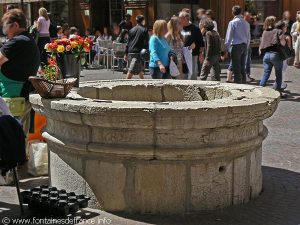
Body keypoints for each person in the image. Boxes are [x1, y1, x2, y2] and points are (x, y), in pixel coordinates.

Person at [0, 9, 40, 136]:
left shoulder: (17, 41)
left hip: (13, 98)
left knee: (11, 139)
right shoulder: (28, 39)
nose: (4, 30)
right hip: (20, 97)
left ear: (16, 25)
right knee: (19, 139)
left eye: (5, 26)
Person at [259, 17, 286, 98]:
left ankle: (259, 90)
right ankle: (278, 93)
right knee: (278, 74)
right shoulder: (278, 31)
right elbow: (283, 43)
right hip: (276, 55)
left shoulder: (264, 32)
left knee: (266, 74)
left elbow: (262, 44)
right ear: (274, 22)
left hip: (266, 55)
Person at [225, 5, 250, 84]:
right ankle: (244, 86)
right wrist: (247, 46)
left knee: (236, 68)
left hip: (236, 46)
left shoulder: (232, 23)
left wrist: (226, 49)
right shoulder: (246, 23)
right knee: (243, 68)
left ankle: (238, 87)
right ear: (241, 12)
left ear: (233, 12)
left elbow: (229, 37)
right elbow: (248, 37)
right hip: (244, 46)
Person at [179, 11, 204, 80]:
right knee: (182, 75)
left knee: (192, 74)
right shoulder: (179, 28)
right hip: (181, 55)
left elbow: (201, 43)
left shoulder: (195, 29)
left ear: (186, 19)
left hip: (193, 55)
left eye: (181, 18)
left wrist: (201, 54)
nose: (179, 20)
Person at [124, 15, 149, 79]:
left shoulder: (131, 30)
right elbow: (146, 43)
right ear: (143, 21)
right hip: (138, 53)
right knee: (130, 71)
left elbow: (128, 43)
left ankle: (144, 84)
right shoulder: (144, 30)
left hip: (130, 52)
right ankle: (124, 84)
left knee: (139, 70)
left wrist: (125, 53)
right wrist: (147, 52)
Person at [244, 11, 255, 82]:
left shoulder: (248, 23)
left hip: (247, 44)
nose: (249, 18)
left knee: (248, 60)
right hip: (244, 44)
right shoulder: (243, 24)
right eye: (247, 17)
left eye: (249, 17)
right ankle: (246, 75)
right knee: (246, 60)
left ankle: (247, 75)